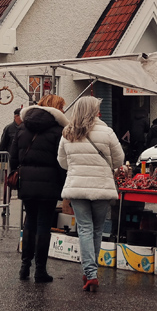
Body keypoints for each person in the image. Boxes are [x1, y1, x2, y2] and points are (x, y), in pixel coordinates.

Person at [57, 96, 124, 292]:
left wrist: (77, 166)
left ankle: (90, 273)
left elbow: (62, 162)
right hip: (101, 188)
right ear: (94, 111)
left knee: (84, 229)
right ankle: (91, 272)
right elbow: (119, 160)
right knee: (96, 229)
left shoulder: (67, 133)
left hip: (77, 187)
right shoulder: (107, 132)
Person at [10, 94, 68, 282]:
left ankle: (24, 266)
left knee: (30, 222)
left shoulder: (22, 127)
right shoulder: (58, 131)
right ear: (56, 108)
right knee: (44, 225)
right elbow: (62, 162)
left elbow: (13, 158)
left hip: (26, 182)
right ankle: (40, 270)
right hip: (49, 184)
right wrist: (63, 184)